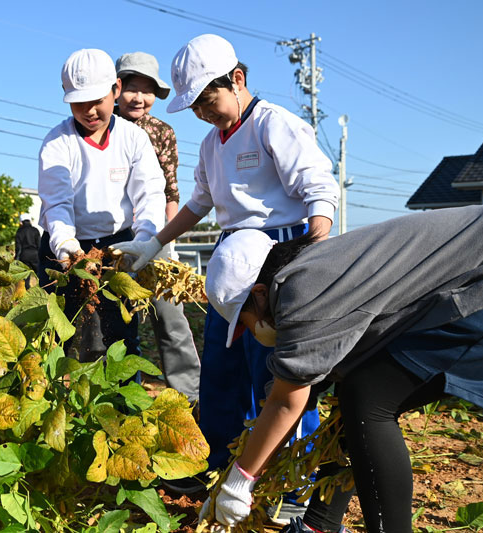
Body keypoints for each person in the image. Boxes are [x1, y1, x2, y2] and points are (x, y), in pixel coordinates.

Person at [112, 34, 344, 521]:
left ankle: (291, 484)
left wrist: (314, 253)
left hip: (282, 252)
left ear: (237, 80)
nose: (203, 113)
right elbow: (200, 202)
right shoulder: (211, 143)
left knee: (279, 373)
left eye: (207, 100)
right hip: (231, 257)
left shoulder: (271, 125)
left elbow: (319, 188)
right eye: (195, 106)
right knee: (221, 364)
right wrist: (153, 242)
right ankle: (216, 462)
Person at [202, 204, 483, 532]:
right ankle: (320, 526)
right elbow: (303, 382)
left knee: (369, 399)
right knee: (355, 390)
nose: (254, 332)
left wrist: (237, 485)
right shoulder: (311, 271)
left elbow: (288, 401)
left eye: (246, 321)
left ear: (259, 293)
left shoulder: (301, 293)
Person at [37, 48, 166, 363]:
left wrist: (144, 239)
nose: (89, 110)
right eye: (79, 102)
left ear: (116, 91)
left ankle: (121, 408)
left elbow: (149, 193)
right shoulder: (58, 142)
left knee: (120, 337)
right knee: (59, 337)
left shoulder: (133, 138)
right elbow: (57, 202)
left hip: (116, 246)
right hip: (66, 248)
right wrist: (66, 245)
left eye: (97, 100)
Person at [113, 51, 202, 439]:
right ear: (115, 90)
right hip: (115, 238)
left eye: (147, 91)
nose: (139, 98)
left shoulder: (162, 132)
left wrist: (167, 242)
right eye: (131, 88)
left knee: (171, 319)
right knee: (119, 318)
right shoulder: (103, 126)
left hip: (155, 237)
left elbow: (170, 190)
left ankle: (188, 398)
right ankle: (123, 399)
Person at [14, 213, 40, 287]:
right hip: (35, 255)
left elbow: (18, 248)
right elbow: (39, 245)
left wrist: (16, 259)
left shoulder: (19, 231)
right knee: (39, 275)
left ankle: (26, 293)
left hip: (24, 255)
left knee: (25, 278)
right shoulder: (35, 230)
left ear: (21, 222)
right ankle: (42, 291)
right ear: (30, 221)